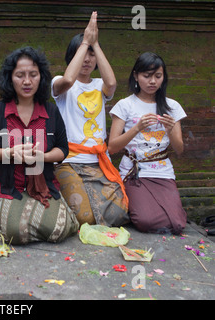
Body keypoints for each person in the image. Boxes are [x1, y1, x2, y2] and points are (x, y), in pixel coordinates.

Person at [0, 46, 79, 245]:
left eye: (33, 75)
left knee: (58, 231)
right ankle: (12, 218)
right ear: (10, 78)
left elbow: (62, 150)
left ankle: (23, 217)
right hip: (6, 185)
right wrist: (8, 152)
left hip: (42, 184)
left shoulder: (50, 111)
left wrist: (42, 156)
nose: (27, 81)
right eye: (20, 75)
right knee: (16, 233)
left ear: (41, 77)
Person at [51, 11, 129, 227]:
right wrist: (86, 42)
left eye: (91, 54)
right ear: (72, 55)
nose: (87, 59)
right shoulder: (60, 83)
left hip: (97, 161)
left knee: (119, 212)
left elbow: (112, 83)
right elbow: (68, 79)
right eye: (81, 53)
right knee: (85, 217)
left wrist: (95, 44)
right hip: (68, 161)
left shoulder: (98, 85)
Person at [108, 52, 187, 234]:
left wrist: (169, 129)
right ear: (136, 76)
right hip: (134, 172)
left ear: (163, 78)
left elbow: (179, 149)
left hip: (163, 172)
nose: (153, 81)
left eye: (158, 76)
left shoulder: (172, 106)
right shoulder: (125, 105)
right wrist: (137, 127)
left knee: (178, 224)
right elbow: (112, 147)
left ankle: (163, 213)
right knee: (146, 221)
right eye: (147, 76)